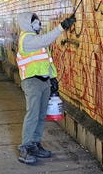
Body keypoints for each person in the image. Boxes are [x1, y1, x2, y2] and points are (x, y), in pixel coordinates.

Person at [15, 11, 75, 164]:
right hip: (32, 82)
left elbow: (46, 61)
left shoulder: (36, 39)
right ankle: (25, 147)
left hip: (44, 81)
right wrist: (61, 27)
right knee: (32, 115)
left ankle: (35, 144)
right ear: (27, 23)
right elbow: (45, 40)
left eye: (38, 20)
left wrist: (52, 78)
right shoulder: (27, 39)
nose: (38, 23)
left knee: (41, 115)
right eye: (34, 21)